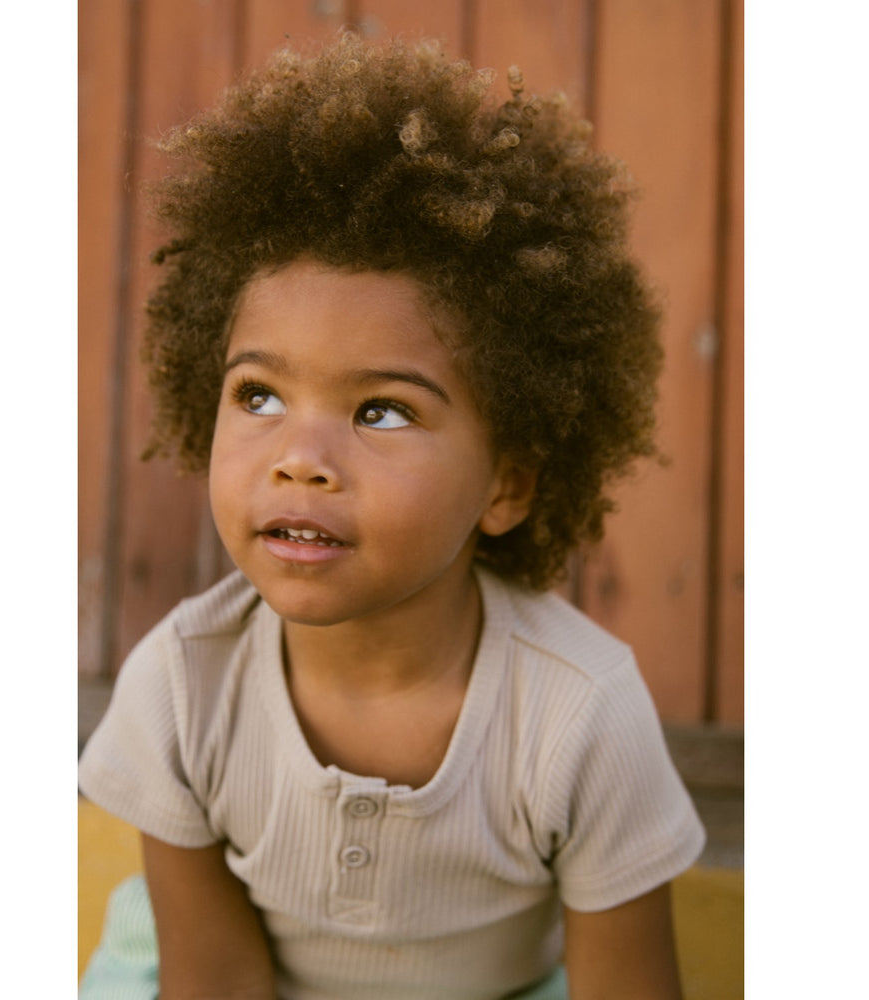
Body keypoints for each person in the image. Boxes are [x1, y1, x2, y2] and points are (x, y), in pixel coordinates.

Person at [78, 32, 706, 1000]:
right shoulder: (181, 685)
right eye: (258, 395)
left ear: (507, 485)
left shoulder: (580, 713)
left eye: (381, 411)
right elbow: (217, 982)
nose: (299, 457)